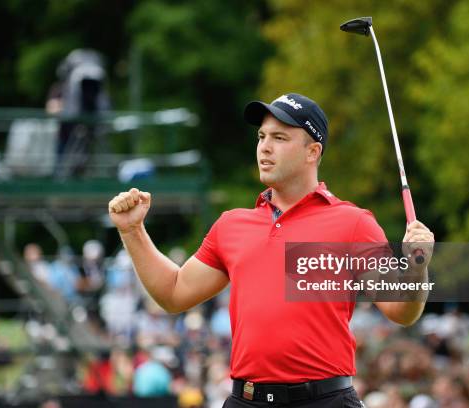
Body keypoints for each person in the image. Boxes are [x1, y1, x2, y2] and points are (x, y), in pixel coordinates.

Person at [108, 93, 435, 407]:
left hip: (325, 401)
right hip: (246, 400)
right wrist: (132, 230)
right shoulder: (231, 226)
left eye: (279, 138)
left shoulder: (353, 223)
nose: (264, 147)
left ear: (312, 152)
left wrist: (417, 268)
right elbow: (173, 293)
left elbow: (401, 310)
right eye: (262, 137)